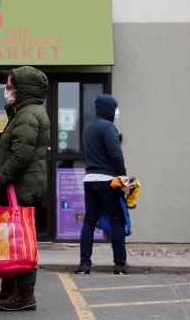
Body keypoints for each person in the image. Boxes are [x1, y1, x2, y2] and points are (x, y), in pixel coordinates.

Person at [0, 66, 50, 311]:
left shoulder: (28, 115)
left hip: (22, 189)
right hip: (22, 188)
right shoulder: (24, 112)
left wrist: (0, 180)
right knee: (11, 238)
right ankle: (10, 289)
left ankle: (25, 295)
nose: (7, 91)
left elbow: (21, 155)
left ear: (22, 89)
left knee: (21, 242)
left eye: (10, 87)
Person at [75, 94, 129, 275]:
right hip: (108, 181)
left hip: (89, 180)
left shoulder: (88, 128)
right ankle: (120, 265)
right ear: (109, 109)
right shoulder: (109, 127)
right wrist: (123, 175)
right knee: (117, 221)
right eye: (115, 107)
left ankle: (84, 264)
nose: (116, 111)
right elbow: (116, 154)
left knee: (89, 221)